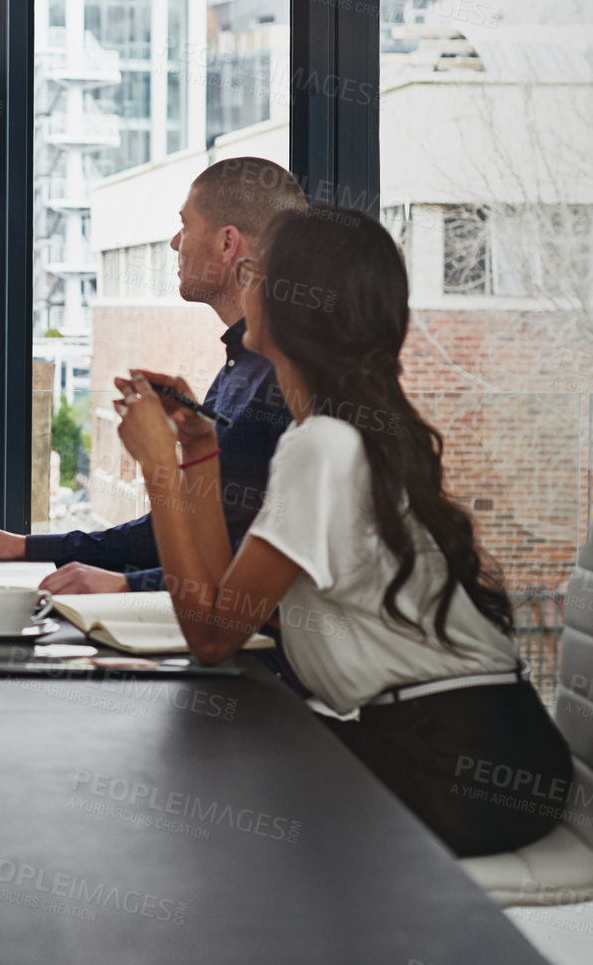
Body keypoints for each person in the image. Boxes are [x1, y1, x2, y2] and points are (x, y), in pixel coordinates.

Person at [111, 207, 572, 857]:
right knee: (219, 769)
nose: (247, 286)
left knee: (203, 791)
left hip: (453, 763)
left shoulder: (322, 444)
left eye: (256, 274)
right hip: (488, 749)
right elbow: (223, 603)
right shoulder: (336, 434)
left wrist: (157, 470)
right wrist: (196, 451)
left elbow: (211, 636)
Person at [0, 157, 305, 595]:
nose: (176, 242)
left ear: (227, 243)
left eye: (186, 225)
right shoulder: (242, 365)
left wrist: (125, 586)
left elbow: (246, 578)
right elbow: (185, 530)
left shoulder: (287, 384)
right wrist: (30, 547)